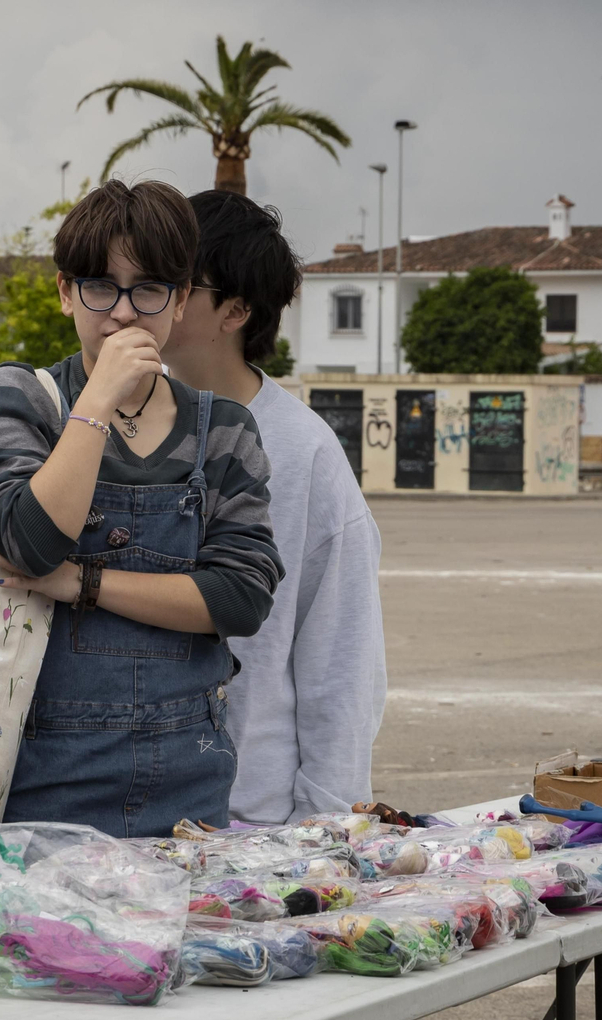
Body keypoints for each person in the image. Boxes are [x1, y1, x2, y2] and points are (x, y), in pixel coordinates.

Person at [0, 179, 283, 837]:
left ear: (182, 299)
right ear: (63, 292)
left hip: (188, 791)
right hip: (37, 789)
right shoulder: (18, 397)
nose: (123, 314)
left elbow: (242, 597)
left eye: (149, 289)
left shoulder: (224, 427)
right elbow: (27, 544)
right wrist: (96, 403)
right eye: (100, 286)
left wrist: (84, 583)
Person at [160, 189, 386, 824]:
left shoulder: (302, 449)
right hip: (109, 807)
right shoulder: (100, 418)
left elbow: (341, 658)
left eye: (174, 279)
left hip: (245, 816)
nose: (147, 295)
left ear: (234, 310)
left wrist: (325, 823)